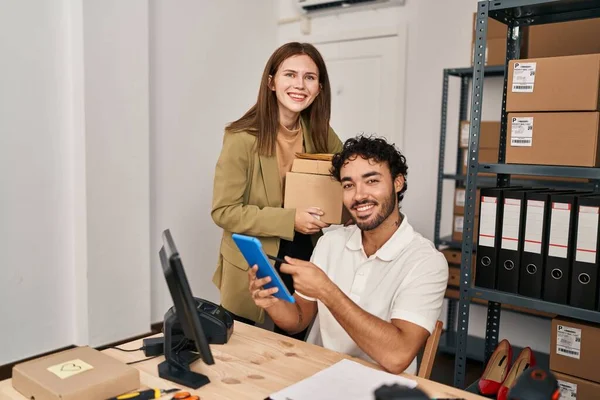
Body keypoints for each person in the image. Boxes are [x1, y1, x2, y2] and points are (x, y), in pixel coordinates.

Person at [247, 135, 449, 375]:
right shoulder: (330, 242)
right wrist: (272, 301)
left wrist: (327, 290)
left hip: (379, 388)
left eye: (371, 181)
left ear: (398, 182)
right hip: (316, 374)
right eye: (348, 185)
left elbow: (397, 356)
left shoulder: (427, 262)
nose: (358, 195)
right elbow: (298, 320)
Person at [211, 42, 344, 339]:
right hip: (253, 257)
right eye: (290, 75)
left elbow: (347, 180)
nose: (299, 85)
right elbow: (223, 211)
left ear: (319, 88)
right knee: (242, 349)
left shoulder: (322, 134)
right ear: (271, 82)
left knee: (296, 346)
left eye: (309, 77)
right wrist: (290, 219)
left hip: (304, 251)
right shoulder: (241, 138)